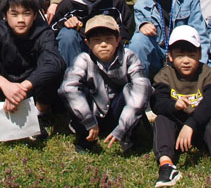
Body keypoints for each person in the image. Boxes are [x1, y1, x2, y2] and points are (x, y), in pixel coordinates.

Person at [150, 26, 211, 188]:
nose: (186, 61)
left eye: (191, 55)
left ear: (199, 54)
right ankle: (166, 165)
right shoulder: (165, 75)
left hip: (200, 124)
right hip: (176, 127)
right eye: (180, 55)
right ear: (170, 56)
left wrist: (191, 124)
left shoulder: (207, 73)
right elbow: (157, 103)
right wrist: (173, 105)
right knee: (162, 119)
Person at [60, 15, 152, 152]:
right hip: (93, 112)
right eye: (97, 40)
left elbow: (142, 88)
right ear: (87, 43)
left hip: (119, 112)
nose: (103, 44)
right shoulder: (83, 59)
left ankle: (128, 135)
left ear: (118, 40)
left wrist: (122, 127)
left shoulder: (129, 57)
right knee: (77, 91)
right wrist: (89, 121)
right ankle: (86, 137)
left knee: (132, 89)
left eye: (109, 39)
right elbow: (67, 88)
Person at [0, 0, 65, 114]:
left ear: (35, 15)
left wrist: (22, 87)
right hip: (4, 83)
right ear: (5, 15)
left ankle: (40, 111)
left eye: (26, 14)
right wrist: (5, 85)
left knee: (55, 69)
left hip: (32, 84)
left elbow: (53, 62)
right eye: (14, 14)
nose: (21, 20)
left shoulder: (44, 32)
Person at [128, 0, 209, 77]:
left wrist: (200, 66)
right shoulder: (142, 3)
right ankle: (139, 81)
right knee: (138, 40)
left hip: (183, 54)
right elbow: (139, 42)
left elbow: (200, 35)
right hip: (157, 56)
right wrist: (142, 27)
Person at [53, 0, 135, 67]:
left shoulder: (114, 0)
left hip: (108, 49)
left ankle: (115, 72)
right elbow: (52, 30)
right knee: (67, 35)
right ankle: (74, 74)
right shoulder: (68, 3)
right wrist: (65, 23)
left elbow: (126, 29)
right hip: (79, 50)